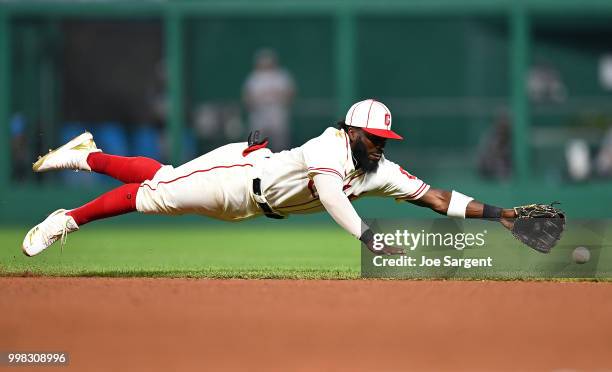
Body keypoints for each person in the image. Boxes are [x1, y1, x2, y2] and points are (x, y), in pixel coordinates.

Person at [23, 99, 517, 257]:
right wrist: (369, 236)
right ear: (351, 131)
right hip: (240, 177)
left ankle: (86, 155)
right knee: (153, 195)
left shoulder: (379, 170)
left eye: (383, 139)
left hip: (251, 208)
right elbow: (328, 193)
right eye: (371, 137)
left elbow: (435, 197)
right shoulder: (329, 144)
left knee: (163, 178)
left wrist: (500, 214)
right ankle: (65, 219)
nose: (379, 145)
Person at [242, 49, 295, 152]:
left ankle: (282, 162)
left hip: (277, 110)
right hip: (259, 111)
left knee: (280, 141)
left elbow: (290, 93)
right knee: (256, 139)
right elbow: (247, 96)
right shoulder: (254, 77)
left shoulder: (281, 75)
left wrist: (285, 103)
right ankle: (255, 161)